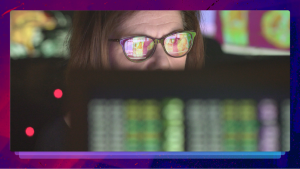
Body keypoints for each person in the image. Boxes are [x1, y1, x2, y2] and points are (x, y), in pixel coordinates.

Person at [34, 10, 205, 151]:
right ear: (97, 49)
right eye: (137, 45)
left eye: (176, 40)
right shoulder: (64, 141)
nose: (162, 64)